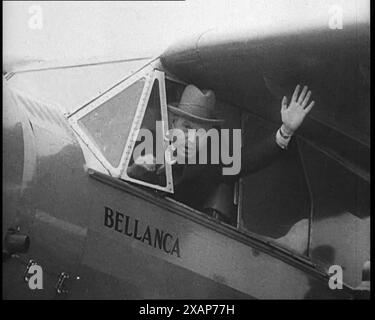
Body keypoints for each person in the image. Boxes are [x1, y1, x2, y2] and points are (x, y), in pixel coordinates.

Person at [127, 84, 315, 223]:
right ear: (174, 122)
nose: (190, 137)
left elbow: (246, 160)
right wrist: (135, 171)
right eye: (186, 127)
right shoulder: (147, 144)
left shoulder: (208, 167)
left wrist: (286, 131)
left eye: (199, 132)